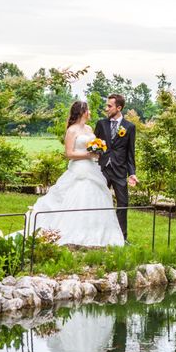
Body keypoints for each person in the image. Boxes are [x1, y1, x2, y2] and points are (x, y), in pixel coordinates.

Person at [27, 101, 124, 247]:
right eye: (88, 110)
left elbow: (94, 146)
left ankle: (96, 234)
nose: (90, 112)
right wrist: (88, 155)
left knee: (96, 197)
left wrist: (98, 151)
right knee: (78, 195)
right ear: (82, 112)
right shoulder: (72, 130)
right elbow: (69, 153)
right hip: (79, 169)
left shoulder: (90, 128)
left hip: (93, 168)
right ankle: (72, 232)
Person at [95, 94, 138, 243]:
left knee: (123, 204)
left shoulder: (129, 127)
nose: (106, 108)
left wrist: (132, 173)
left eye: (109, 106)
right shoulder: (101, 124)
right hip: (103, 170)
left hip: (120, 171)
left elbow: (130, 153)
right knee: (99, 202)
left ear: (118, 108)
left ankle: (121, 238)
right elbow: (95, 147)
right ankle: (99, 236)